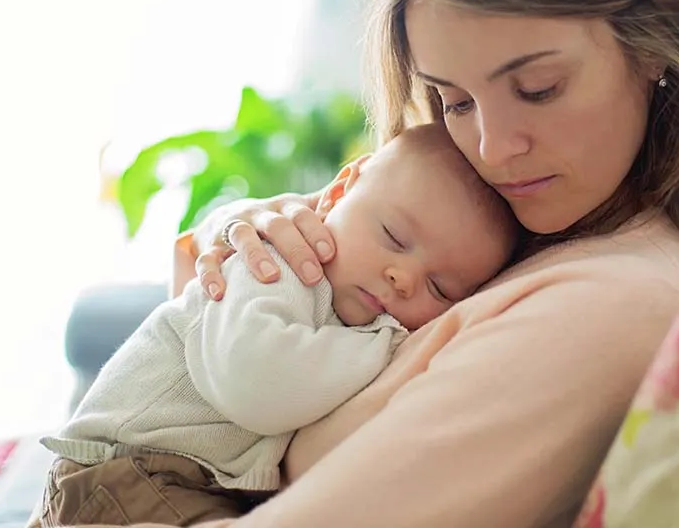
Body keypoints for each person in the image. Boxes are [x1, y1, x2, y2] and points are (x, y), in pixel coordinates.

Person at [67, 0, 679, 527]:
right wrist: (243, 242)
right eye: (454, 100)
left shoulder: (612, 304)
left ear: (656, 49)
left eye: (538, 87)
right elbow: (192, 309)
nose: (492, 146)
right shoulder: (526, 215)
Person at [32, 124, 517, 527]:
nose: (404, 278)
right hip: (124, 472)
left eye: (441, 288)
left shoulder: (338, 301)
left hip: (171, 479)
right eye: (393, 236)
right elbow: (258, 385)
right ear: (337, 193)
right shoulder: (278, 266)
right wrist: (385, 345)